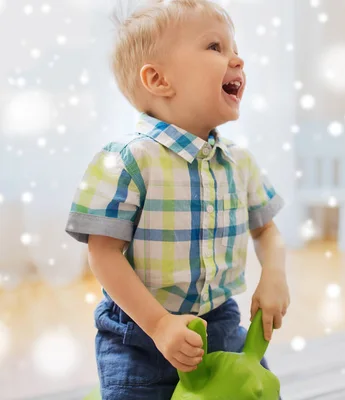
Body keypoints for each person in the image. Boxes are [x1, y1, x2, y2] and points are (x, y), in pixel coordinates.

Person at [65, 1, 290, 398]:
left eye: (234, 48)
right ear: (158, 79)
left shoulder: (239, 162)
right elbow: (103, 253)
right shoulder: (126, 160)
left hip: (220, 323)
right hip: (139, 334)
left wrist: (273, 276)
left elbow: (267, 230)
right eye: (215, 47)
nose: (237, 58)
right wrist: (158, 325)